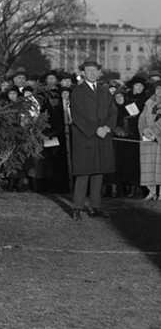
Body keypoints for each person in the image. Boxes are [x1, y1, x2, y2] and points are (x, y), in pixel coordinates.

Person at [69, 59, 116, 220]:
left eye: (95, 71)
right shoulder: (77, 91)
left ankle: (95, 206)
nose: (92, 73)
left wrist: (108, 127)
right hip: (85, 137)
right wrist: (95, 129)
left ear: (99, 72)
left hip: (103, 136)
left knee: (98, 172)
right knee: (84, 173)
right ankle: (77, 207)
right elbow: (77, 116)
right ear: (83, 73)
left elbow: (113, 111)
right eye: (88, 71)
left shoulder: (104, 91)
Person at [138, 81, 161, 200]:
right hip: (148, 139)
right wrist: (143, 130)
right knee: (149, 166)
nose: (159, 92)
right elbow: (142, 118)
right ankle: (151, 192)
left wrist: (153, 131)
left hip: (158, 138)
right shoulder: (149, 103)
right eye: (158, 89)